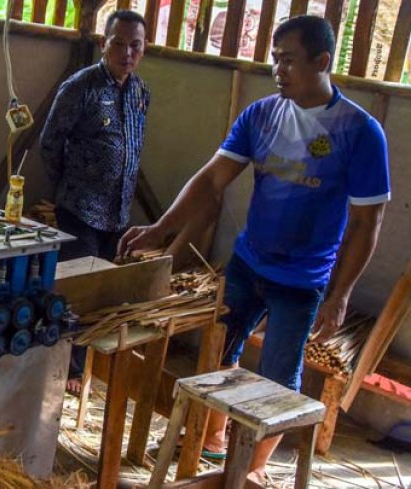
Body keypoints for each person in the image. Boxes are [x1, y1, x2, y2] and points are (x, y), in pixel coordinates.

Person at [119, 15, 390, 483]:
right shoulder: (262, 115)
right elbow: (211, 178)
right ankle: (215, 440)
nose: (277, 70)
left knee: (278, 384)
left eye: (288, 61)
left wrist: (341, 293)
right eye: (274, 60)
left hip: (302, 279)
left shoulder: (359, 132)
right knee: (223, 350)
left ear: (322, 61)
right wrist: (161, 228)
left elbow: (368, 223)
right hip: (248, 263)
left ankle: (250, 471)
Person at [41, 10, 150, 393]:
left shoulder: (139, 92)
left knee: (103, 294)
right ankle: (65, 370)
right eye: (118, 43)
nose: (126, 52)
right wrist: (69, 188)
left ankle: (81, 368)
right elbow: (50, 144)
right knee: (77, 292)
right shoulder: (80, 87)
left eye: (134, 45)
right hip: (79, 209)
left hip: (117, 212)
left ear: (144, 48)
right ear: (104, 44)